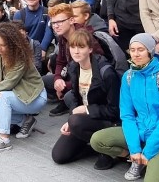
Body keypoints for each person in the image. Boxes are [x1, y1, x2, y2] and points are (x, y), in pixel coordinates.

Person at [90, 33, 159, 181]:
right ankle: (137, 161)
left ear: (150, 52)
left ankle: (154, 159)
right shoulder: (128, 77)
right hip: (140, 131)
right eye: (132, 50)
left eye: (141, 50)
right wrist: (135, 149)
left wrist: (148, 151)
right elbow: (127, 115)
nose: (136, 54)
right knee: (97, 140)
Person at [51, 30, 120, 165]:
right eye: (73, 47)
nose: (76, 51)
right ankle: (93, 146)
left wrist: (86, 110)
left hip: (108, 121)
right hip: (85, 119)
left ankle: (107, 151)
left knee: (76, 121)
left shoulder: (106, 72)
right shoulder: (74, 67)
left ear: (90, 49)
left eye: (81, 47)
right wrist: (69, 121)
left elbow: (114, 111)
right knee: (59, 156)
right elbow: (76, 100)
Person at [0, 23, 47, 153]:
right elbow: (2, 76)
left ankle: (4, 140)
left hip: (36, 96)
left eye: (3, 45)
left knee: (3, 97)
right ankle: (26, 121)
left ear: (12, 44)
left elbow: (9, 83)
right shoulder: (1, 54)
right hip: (20, 93)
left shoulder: (20, 58)